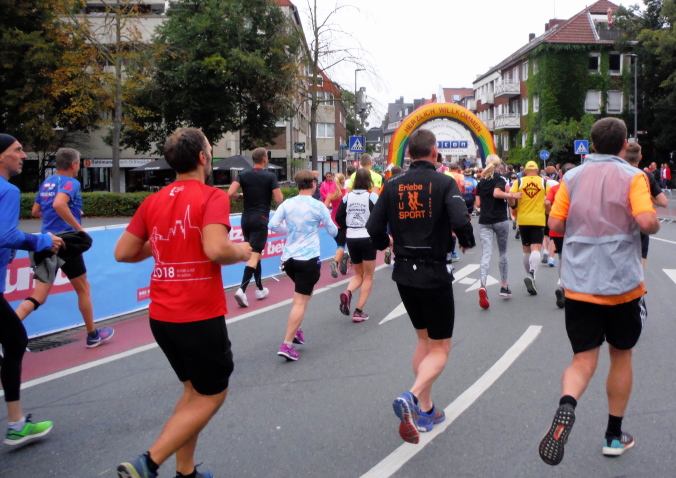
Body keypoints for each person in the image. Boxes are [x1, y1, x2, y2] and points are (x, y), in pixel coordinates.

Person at [114, 128, 251, 478]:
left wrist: (164, 243)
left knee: (192, 392)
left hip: (161, 317)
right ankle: (147, 463)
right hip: (198, 315)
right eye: (210, 151)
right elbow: (216, 249)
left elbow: (123, 252)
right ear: (203, 158)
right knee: (213, 394)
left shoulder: (153, 201)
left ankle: (185, 472)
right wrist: (242, 251)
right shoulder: (212, 196)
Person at [539, 118, 659, 466]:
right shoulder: (633, 177)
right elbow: (646, 221)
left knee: (582, 360)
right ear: (623, 145)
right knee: (621, 356)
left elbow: (556, 224)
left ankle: (567, 404)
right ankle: (613, 436)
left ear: (591, 145)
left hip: (579, 284)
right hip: (621, 286)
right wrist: (649, 220)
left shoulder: (572, 178)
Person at [366, 129, 475, 444]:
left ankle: (426, 410)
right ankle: (412, 397)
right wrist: (466, 241)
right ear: (435, 152)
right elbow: (460, 219)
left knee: (424, 341)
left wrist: (385, 243)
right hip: (434, 271)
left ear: (409, 154)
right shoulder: (444, 183)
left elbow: (373, 226)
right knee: (441, 347)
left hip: (404, 273)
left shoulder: (392, 184)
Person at [15, 147, 114, 348]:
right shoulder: (72, 182)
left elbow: (36, 211)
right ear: (73, 164)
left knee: (38, 297)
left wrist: (73, 212)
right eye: (79, 163)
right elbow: (59, 204)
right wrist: (79, 228)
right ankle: (92, 335)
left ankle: (5, 331)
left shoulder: (47, 183)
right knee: (83, 289)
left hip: (45, 242)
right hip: (65, 242)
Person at [0, 134, 63, 446]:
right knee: (15, 340)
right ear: (1, 157)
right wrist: (43, 241)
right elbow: (5, 235)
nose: (24, 155)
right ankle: (15, 425)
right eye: (18, 150)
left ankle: (16, 422)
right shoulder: (8, 190)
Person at [269, 170, 338, 361]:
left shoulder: (287, 203)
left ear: (297, 184)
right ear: (314, 184)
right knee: (301, 300)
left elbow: (272, 225)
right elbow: (332, 231)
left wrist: (290, 228)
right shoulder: (317, 205)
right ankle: (287, 344)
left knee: (302, 296)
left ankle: (296, 329)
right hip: (308, 259)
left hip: (289, 260)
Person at [228, 147, 283, 307]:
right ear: (265, 159)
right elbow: (279, 199)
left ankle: (259, 288)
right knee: (255, 254)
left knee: (254, 253)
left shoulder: (243, 174)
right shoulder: (270, 176)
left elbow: (230, 193)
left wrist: (241, 196)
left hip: (246, 218)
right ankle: (242, 289)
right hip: (261, 218)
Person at [474, 154, 520, 309]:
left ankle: (483, 285)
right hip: (500, 220)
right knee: (503, 253)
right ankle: (504, 286)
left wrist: (486, 205)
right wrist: (512, 197)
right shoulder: (501, 179)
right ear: (499, 165)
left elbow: (478, 204)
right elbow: (497, 194)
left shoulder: (481, 182)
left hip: (484, 221)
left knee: (486, 254)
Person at [336, 169, 379, 322]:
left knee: (358, 274)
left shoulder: (347, 196)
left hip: (352, 237)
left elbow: (338, 216)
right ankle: (358, 311)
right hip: (367, 237)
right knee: (368, 276)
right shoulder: (372, 196)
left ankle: (348, 292)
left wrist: (347, 227)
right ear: (369, 181)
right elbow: (379, 216)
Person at [624, 142, 668, 268]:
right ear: (640, 157)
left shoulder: (618, 173)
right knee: (639, 266)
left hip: (620, 224)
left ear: (623, 156)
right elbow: (663, 202)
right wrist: (649, 197)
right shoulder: (645, 175)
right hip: (640, 223)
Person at [508, 161, 548, 296]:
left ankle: (530, 275)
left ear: (525, 171)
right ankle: (532, 274)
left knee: (526, 249)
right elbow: (550, 199)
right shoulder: (543, 182)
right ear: (537, 170)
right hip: (538, 219)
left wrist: (514, 207)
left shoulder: (519, 182)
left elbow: (510, 196)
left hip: (523, 219)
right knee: (536, 248)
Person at [544, 163, 576, 309]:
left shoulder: (556, 188)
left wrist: (551, 214)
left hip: (558, 228)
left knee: (562, 257)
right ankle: (568, 286)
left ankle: (562, 285)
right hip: (576, 228)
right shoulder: (579, 188)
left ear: (561, 174)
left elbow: (546, 202)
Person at [324, 173, 347, 278]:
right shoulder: (346, 193)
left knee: (339, 243)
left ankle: (342, 261)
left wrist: (331, 206)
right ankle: (336, 262)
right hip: (343, 220)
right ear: (343, 182)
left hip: (333, 222)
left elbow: (324, 208)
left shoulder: (331, 193)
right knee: (341, 245)